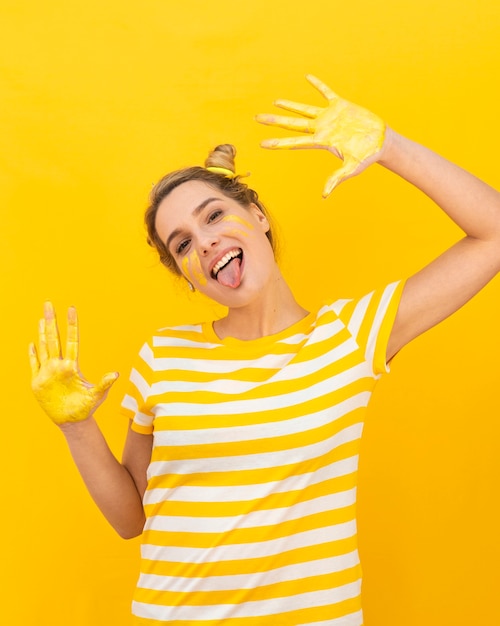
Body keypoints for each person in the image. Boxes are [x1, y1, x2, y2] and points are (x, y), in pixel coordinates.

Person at [29, 75, 500, 626]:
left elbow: (492, 233)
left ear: (258, 216)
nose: (203, 241)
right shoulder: (164, 357)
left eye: (213, 215)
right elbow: (132, 518)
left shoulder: (350, 336)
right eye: (182, 243)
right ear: (184, 271)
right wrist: (77, 429)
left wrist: (389, 147)